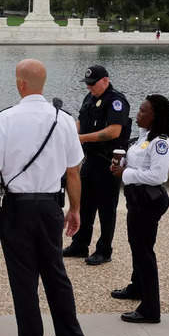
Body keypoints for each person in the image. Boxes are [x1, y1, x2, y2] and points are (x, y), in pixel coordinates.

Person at [0, 60, 86, 336]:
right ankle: (70, 335)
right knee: (55, 272)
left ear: (21, 83)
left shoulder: (6, 119)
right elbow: (73, 171)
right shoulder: (65, 120)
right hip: (50, 205)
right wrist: (75, 208)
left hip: (16, 207)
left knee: (23, 277)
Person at [110, 94, 169, 324]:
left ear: (155, 116)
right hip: (136, 199)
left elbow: (158, 175)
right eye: (139, 110)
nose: (138, 114)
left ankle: (150, 308)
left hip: (148, 200)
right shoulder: (143, 137)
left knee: (144, 252)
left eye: (143, 111)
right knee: (136, 245)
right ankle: (137, 287)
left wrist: (125, 174)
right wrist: (123, 165)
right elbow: (140, 164)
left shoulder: (160, 142)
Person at [63, 64, 131, 266]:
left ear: (106, 81)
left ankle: (104, 249)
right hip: (90, 160)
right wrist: (68, 130)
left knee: (106, 208)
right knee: (84, 204)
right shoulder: (90, 98)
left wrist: (81, 138)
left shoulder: (116, 101)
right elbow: (81, 122)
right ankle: (80, 244)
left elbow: (113, 131)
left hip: (108, 161)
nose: (90, 88)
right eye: (88, 84)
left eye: (93, 84)